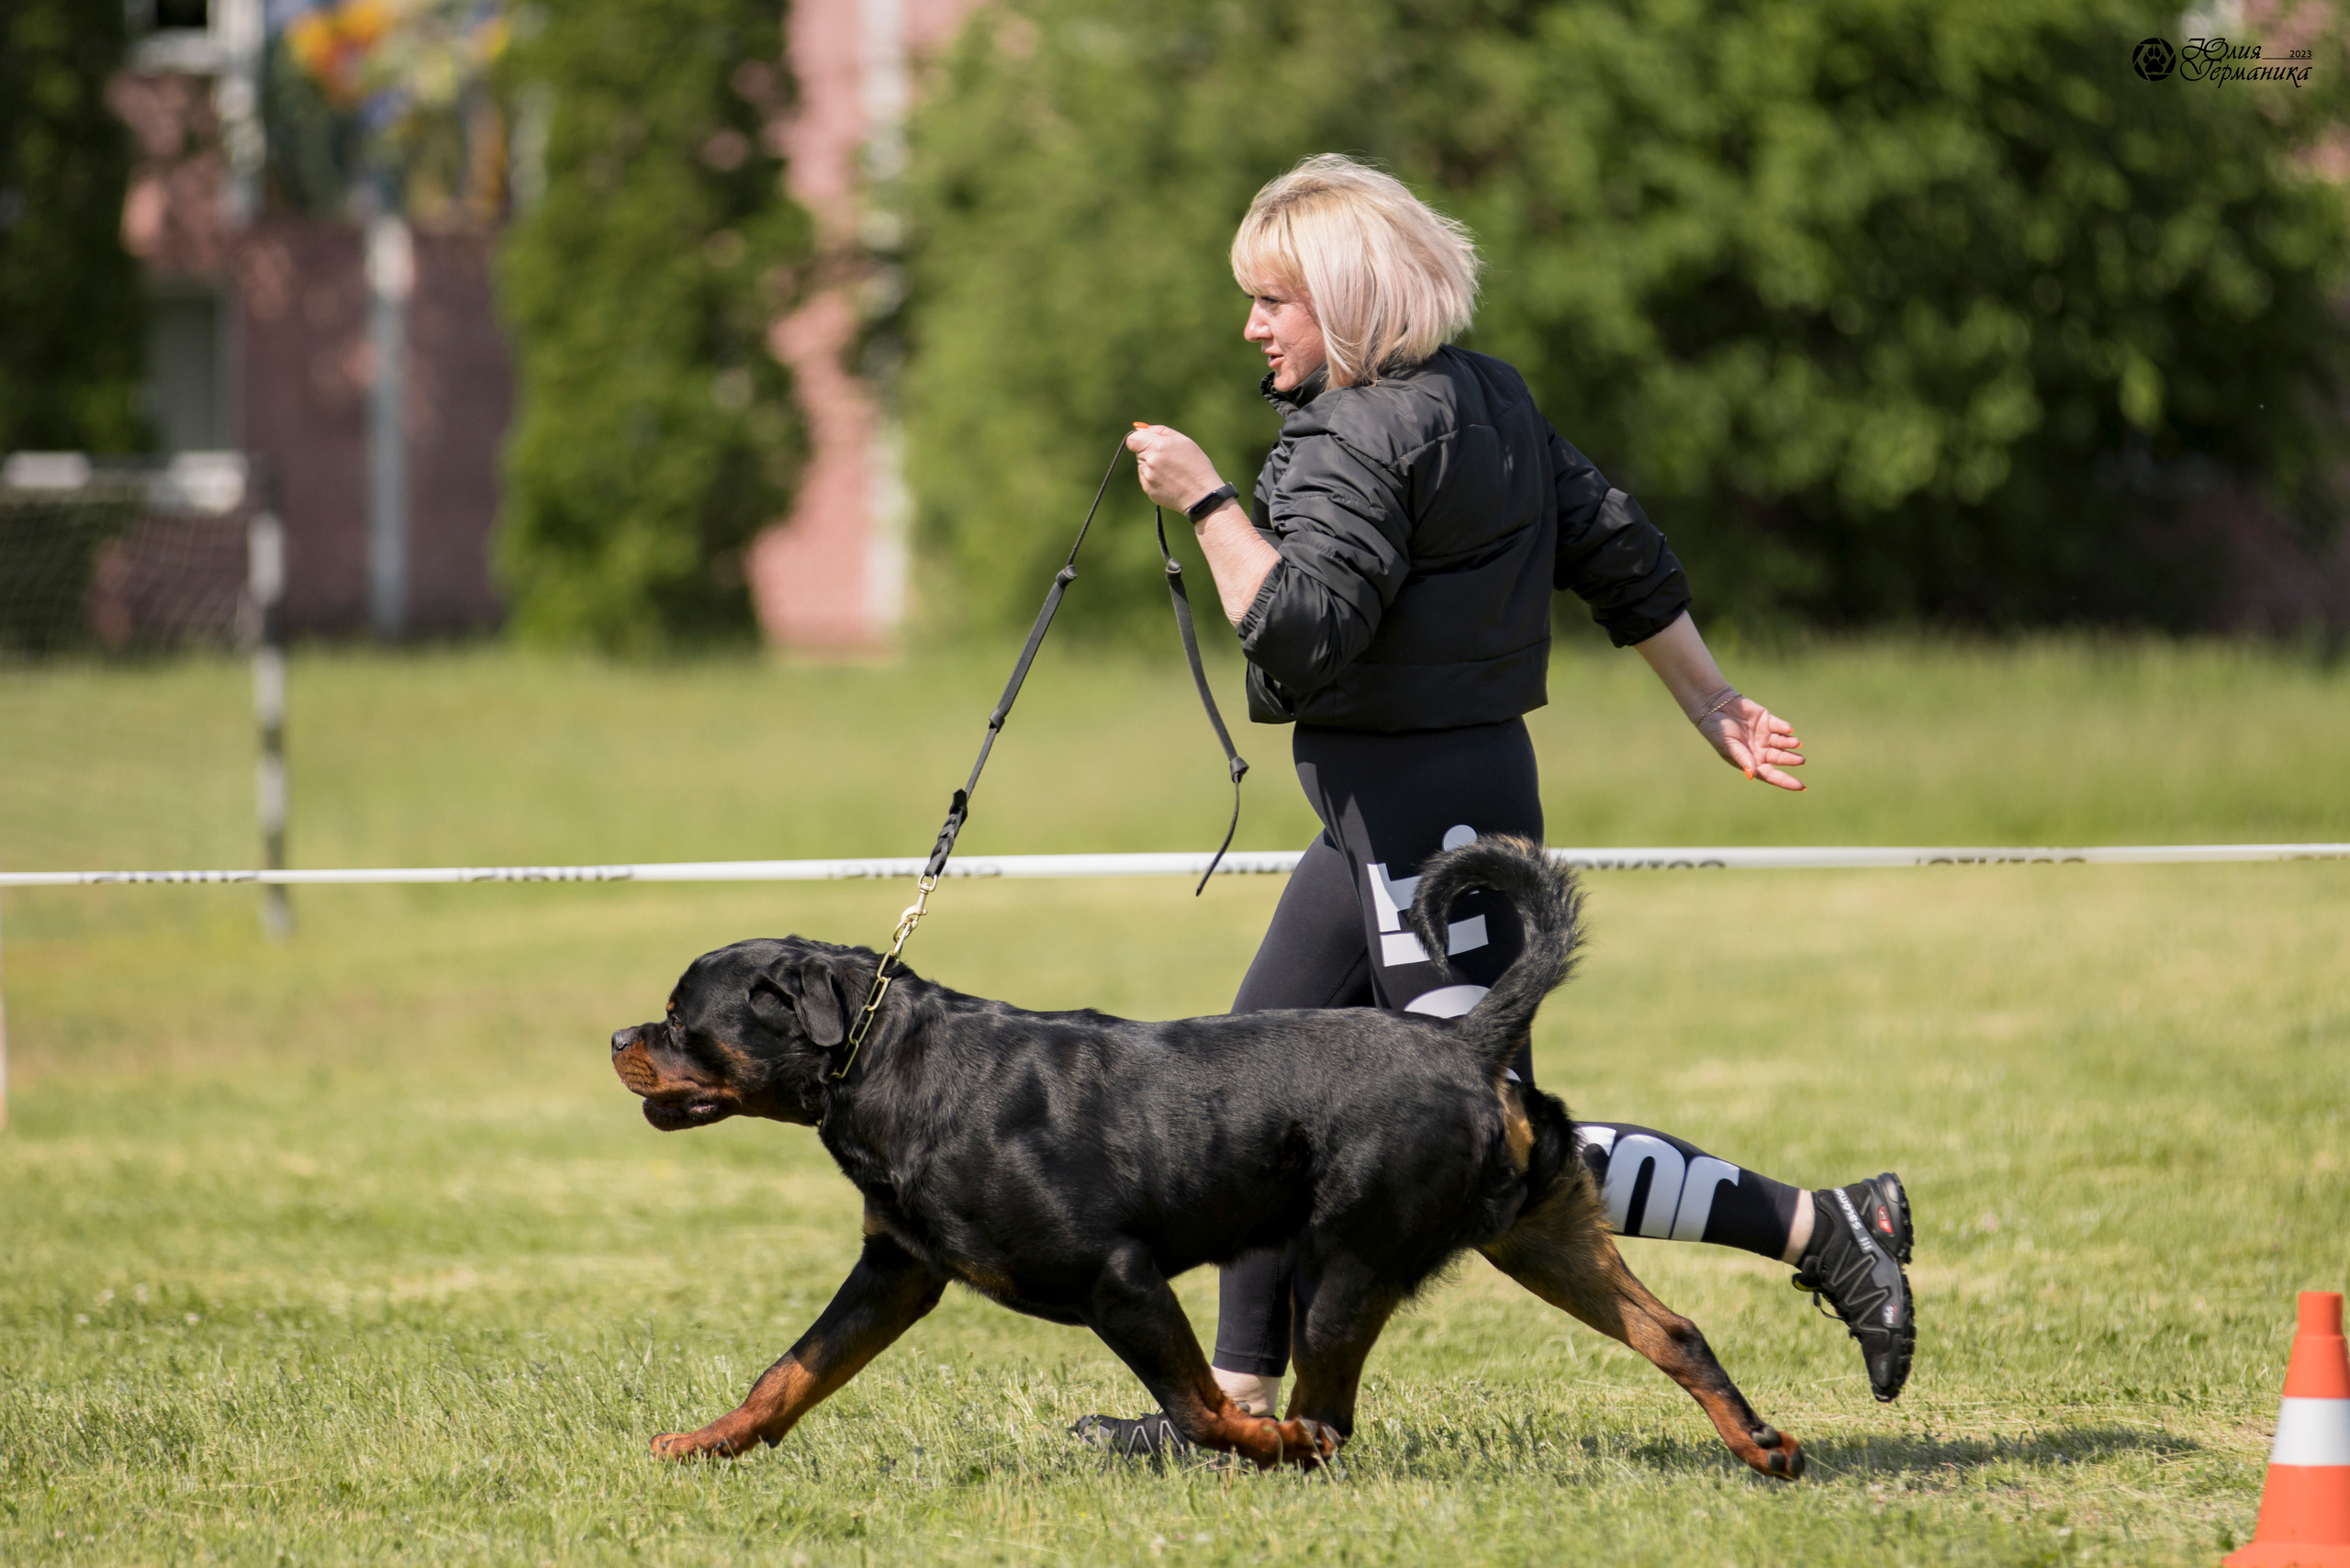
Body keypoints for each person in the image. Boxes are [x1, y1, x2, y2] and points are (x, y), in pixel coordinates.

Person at [1073, 155, 1914, 1455]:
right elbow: (1619, 551)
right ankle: (1233, 1409)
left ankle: (1820, 1226)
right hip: (1415, 806)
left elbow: (1301, 636)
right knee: (1245, 1095)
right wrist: (1709, 699)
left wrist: (1208, 502)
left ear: (1345, 301)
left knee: (1492, 1145)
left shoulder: (1352, 434)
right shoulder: (1492, 400)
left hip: (1423, 829)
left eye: (1272, 302)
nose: (1250, 328)